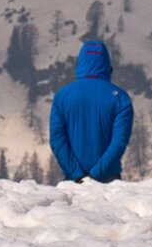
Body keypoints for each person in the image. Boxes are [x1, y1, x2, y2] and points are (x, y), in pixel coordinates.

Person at [49, 40, 134, 183]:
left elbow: (57, 140)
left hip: (73, 180)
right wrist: (95, 174)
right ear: (107, 65)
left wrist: (76, 174)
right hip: (109, 180)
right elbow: (119, 142)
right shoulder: (121, 98)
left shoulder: (62, 96)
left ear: (80, 63)